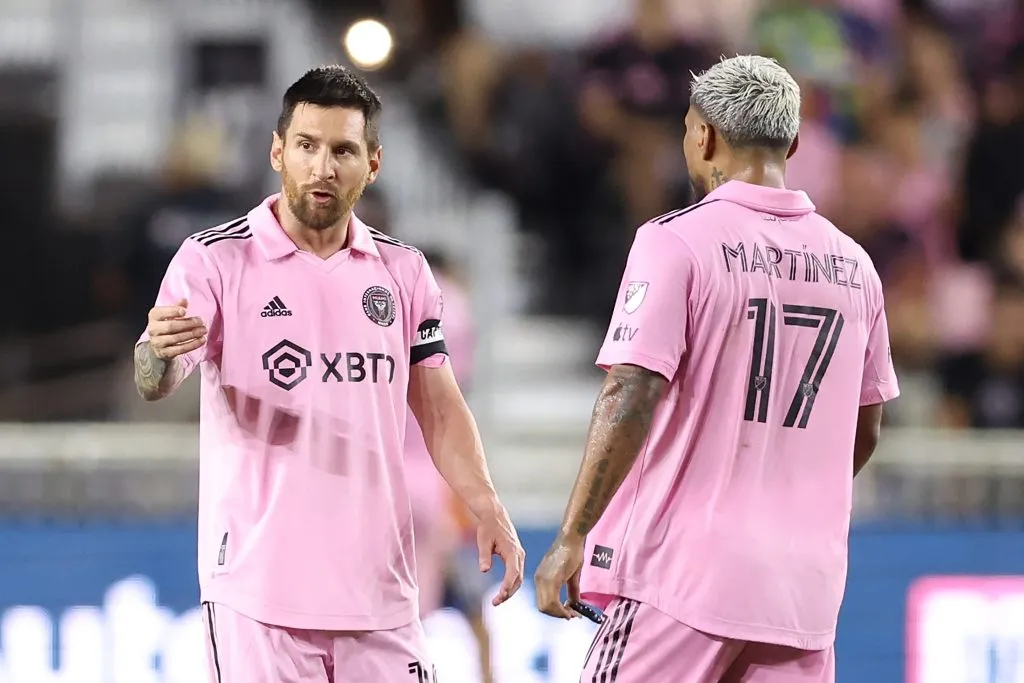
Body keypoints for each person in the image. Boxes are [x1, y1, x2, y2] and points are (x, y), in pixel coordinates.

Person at [132, 65, 525, 683]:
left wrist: (488, 506)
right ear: (276, 151)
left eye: (343, 149)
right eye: (307, 146)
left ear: (372, 163)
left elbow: (440, 405)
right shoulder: (215, 259)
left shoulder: (405, 272)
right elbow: (157, 376)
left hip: (381, 595)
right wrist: (156, 351)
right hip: (259, 599)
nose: (322, 167)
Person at [534, 55, 899, 683]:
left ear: (702, 135)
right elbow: (863, 431)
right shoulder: (855, 266)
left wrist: (574, 533)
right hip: (802, 592)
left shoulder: (677, 240)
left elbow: (630, 390)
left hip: (683, 579)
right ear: (792, 140)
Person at [403, 249, 496, 683]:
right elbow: (457, 396)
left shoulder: (384, 296)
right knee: (467, 606)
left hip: (381, 478)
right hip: (436, 477)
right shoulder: (450, 303)